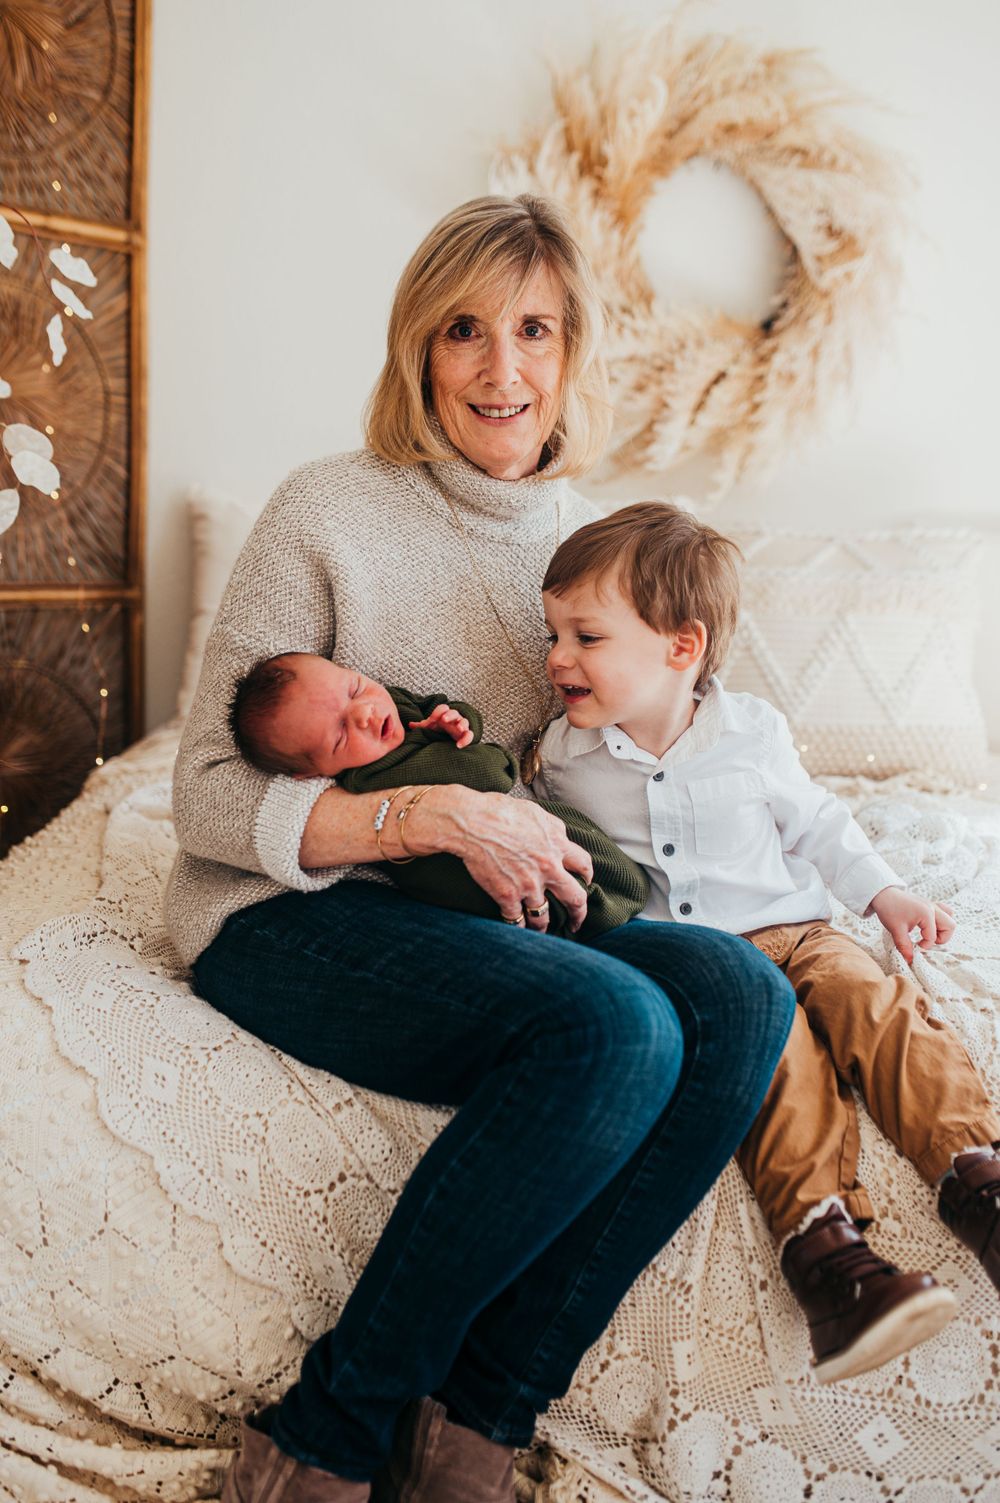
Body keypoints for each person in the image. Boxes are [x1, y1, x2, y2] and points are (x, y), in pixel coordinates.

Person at [166, 195, 795, 1503]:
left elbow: (652, 750)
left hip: (459, 916)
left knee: (740, 995)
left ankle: (474, 1424)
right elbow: (208, 795)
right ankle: (322, 1436)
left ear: (573, 352)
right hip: (283, 908)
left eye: (534, 330)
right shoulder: (325, 509)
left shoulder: (590, 556)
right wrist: (422, 815)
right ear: (419, 347)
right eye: (464, 330)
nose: (500, 369)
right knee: (613, 1027)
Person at [532, 499, 1000, 1386]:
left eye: (585, 637)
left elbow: (818, 822)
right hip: (709, 972)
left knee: (877, 1007)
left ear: (683, 646)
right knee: (780, 1056)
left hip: (801, 928)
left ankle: (979, 1181)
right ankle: (831, 1261)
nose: (557, 657)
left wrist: (885, 892)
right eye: (553, 633)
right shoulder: (562, 760)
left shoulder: (751, 731)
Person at [226, 650, 649, 938]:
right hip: (461, 883)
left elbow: (440, 707)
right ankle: (595, 915)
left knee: (575, 841)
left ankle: (621, 901)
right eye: (339, 734)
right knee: (553, 886)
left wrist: (455, 721)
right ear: (312, 773)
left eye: (354, 689)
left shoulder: (392, 709)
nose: (365, 714)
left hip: (493, 835)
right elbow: (492, 771)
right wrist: (465, 746)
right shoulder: (371, 777)